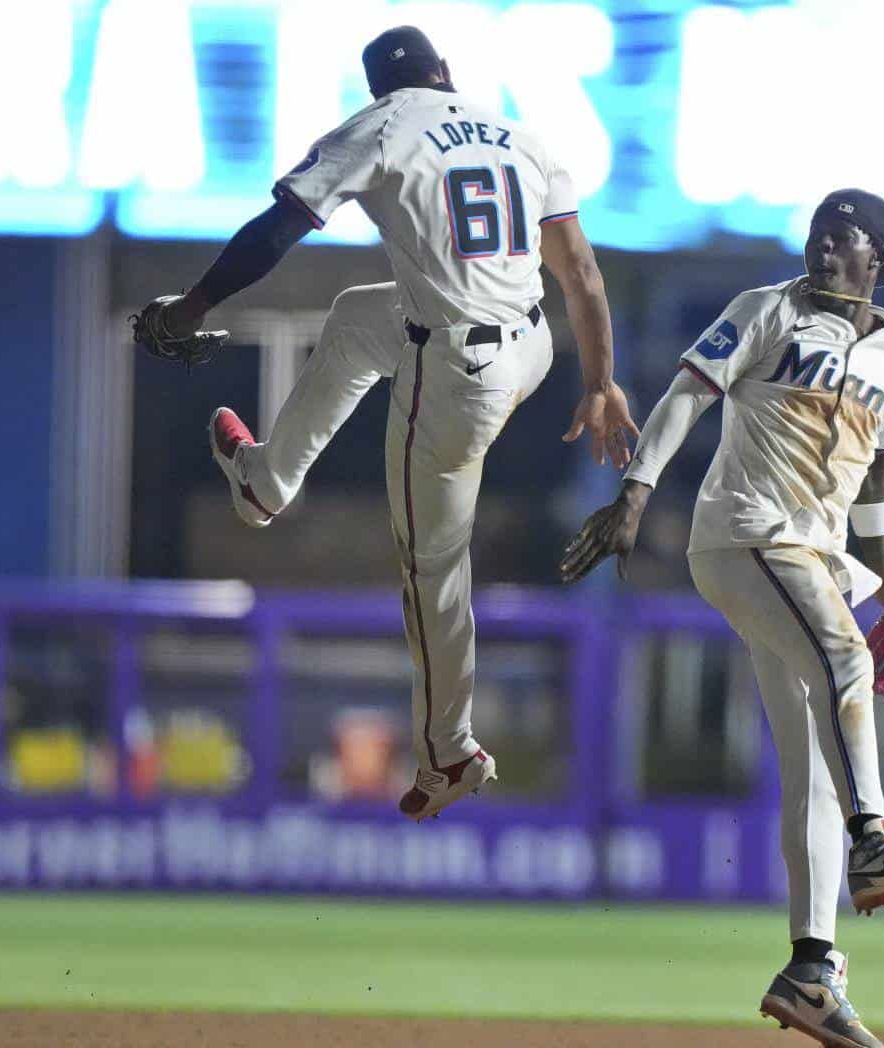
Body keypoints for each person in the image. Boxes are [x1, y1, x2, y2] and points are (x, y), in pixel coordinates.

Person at [136, 26, 638, 822]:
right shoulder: (518, 135)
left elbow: (275, 233)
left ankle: (450, 748)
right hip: (535, 344)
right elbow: (580, 271)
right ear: (446, 74)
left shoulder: (381, 125)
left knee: (432, 566)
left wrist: (192, 307)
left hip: (459, 373)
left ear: (381, 89)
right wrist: (601, 382)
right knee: (360, 317)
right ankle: (268, 480)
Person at [561, 189, 884, 1047]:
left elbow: (882, 469)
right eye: (819, 239)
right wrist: (635, 492)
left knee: (815, 761)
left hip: (818, 554)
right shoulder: (766, 311)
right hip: (746, 531)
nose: (824, 253)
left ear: (880, 263)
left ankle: (811, 968)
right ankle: (875, 842)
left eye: (844, 243)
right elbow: (683, 398)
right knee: (846, 665)